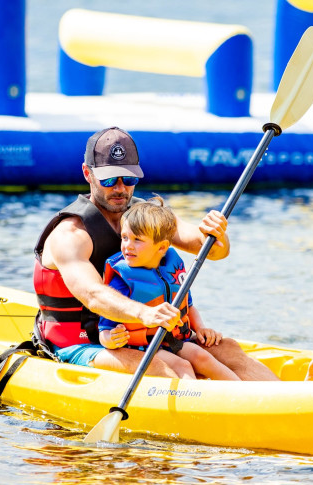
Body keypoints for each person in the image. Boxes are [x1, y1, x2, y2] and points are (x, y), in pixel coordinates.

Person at [33, 126, 279, 380]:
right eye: (109, 180)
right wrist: (145, 313)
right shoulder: (71, 234)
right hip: (81, 343)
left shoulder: (149, 217)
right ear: (88, 173)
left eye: (129, 179)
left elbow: (214, 251)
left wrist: (218, 234)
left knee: (227, 350)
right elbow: (93, 295)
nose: (120, 189)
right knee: (164, 370)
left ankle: (283, 401)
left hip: (148, 334)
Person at [97, 197, 240, 381]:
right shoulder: (122, 280)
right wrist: (111, 338)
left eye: (137, 239)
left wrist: (201, 328)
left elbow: (187, 305)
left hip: (174, 339)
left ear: (162, 247)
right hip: (143, 346)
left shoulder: (171, 268)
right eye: (124, 238)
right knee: (183, 365)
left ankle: (243, 393)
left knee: (202, 356)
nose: (128, 246)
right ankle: (196, 403)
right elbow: (104, 329)